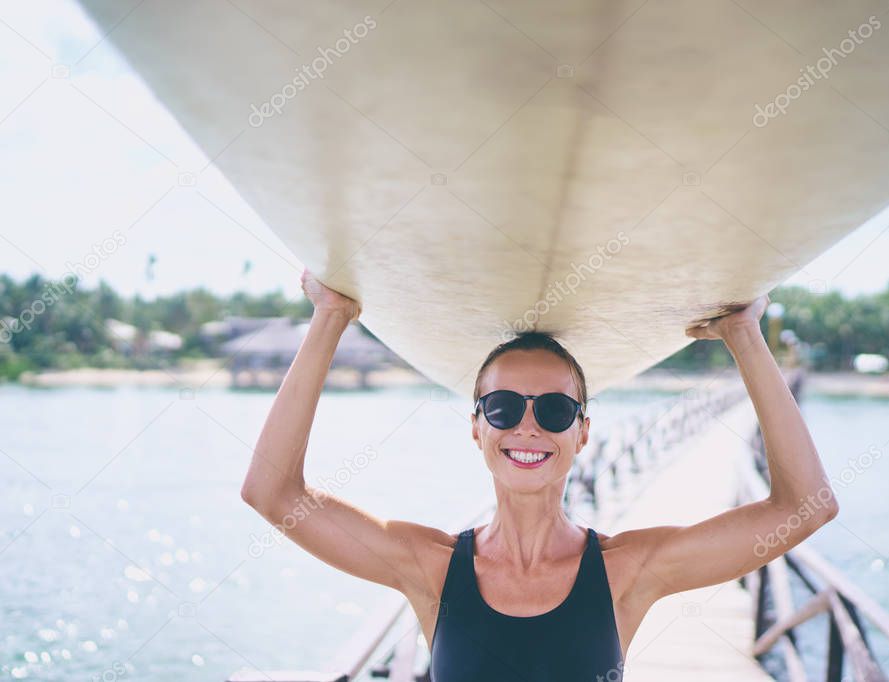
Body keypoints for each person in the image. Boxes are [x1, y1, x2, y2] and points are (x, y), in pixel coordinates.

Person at [240, 269, 839, 681]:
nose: (527, 427)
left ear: (582, 431)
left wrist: (743, 335)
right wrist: (330, 318)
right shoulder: (430, 566)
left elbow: (804, 507)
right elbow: (273, 492)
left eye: (553, 409)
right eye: (503, 407)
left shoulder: (626, 571)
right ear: (477, 427)